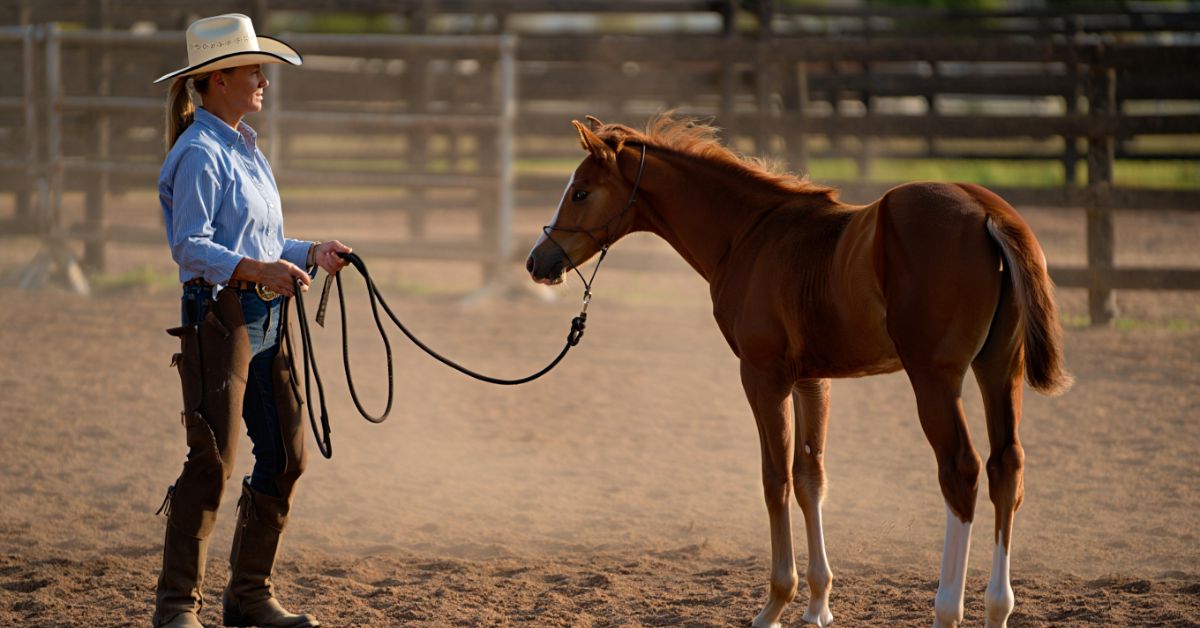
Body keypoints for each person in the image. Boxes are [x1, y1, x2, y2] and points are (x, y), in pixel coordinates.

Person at [152, 14, 350, 628]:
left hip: (264, 315)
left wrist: (308, 252)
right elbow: (191, 247)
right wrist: (261, 272)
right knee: (212, 460)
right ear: (215, 79)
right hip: (222, 317)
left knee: (287, 455)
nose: (263, 77)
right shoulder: (199, 155)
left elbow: (261, 239)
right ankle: (178, 607)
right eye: (251, 69)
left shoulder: (243, 149)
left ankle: (248, 595)